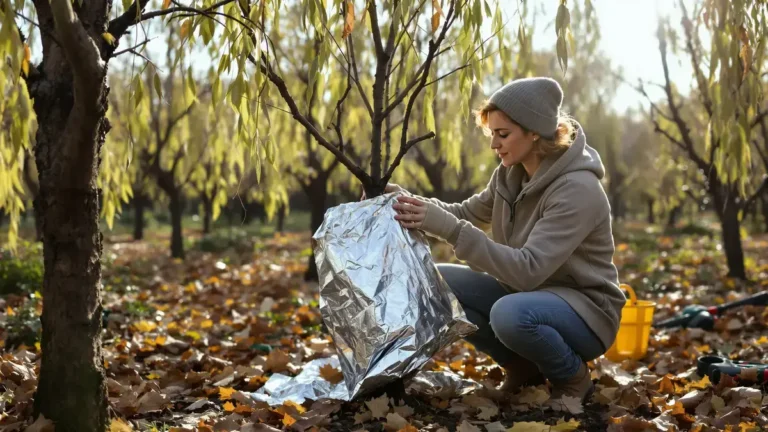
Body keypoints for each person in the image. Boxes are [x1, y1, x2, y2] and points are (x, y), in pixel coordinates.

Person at [386, 77, 625, 404]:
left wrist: (451, 230)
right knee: (437, 280)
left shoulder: (577, 189)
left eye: (503, 134)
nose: (494, 144)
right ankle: (522, 369)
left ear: (534, 132)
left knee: (509, 314)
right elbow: (465, 213)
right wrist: (405, 200)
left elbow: (528, 270)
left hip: (585, 312)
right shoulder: (510, 175)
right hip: (529, 295)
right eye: (492, 134)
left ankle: (573, 378)